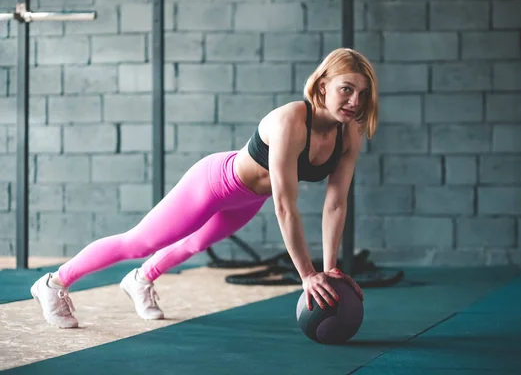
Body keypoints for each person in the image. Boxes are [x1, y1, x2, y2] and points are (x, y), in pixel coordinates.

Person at [30, 48, 379, 328]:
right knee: (142, 241)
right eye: (345, 89)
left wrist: (330, 268)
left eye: (361, 94)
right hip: (215, 182)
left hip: (249, 198)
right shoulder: (291, 121)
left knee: (196, 242)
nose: (354, 101)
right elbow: (286, 207)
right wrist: (307, 275)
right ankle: (54, 282)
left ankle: (140, 280)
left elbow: (335, 203)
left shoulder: (348, 135)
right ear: (322, 87)